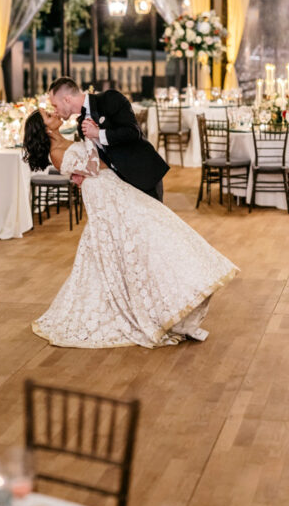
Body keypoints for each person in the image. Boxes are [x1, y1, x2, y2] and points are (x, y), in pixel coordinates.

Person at [21, 108, 237, 348]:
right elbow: (96, 166)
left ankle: (176, 302)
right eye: (48, 116)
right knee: (135, 237)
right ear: (46, 129)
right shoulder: (56, 152)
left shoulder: (65, 141)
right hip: (104, 196)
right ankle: (149, 307)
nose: (53, 113)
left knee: (158, 226)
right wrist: (95, 136)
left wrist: (93, 136)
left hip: (112, 188)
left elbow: (96, 165)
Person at [48, 76, 168, 201]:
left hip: (143, 174)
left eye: (55, 105)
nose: (55, 111)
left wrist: (98, 133)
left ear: (67, 99)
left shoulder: (110, 98)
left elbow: (133, 132)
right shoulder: (81, 125)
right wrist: (82, 173)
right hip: (121, 184)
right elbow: (101, 156)